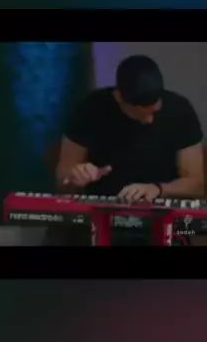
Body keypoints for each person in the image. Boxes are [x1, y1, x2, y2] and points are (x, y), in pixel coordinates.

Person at [53, 55, 204, 245]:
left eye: (154, 111)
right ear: (120, 98)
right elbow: (63, 178)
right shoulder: (90, 108)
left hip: (160, 218)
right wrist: (76, 177)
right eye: (141, 112)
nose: (149, 120)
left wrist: (158, 189)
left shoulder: (180, 110)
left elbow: (196, 184)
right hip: (100, 219)